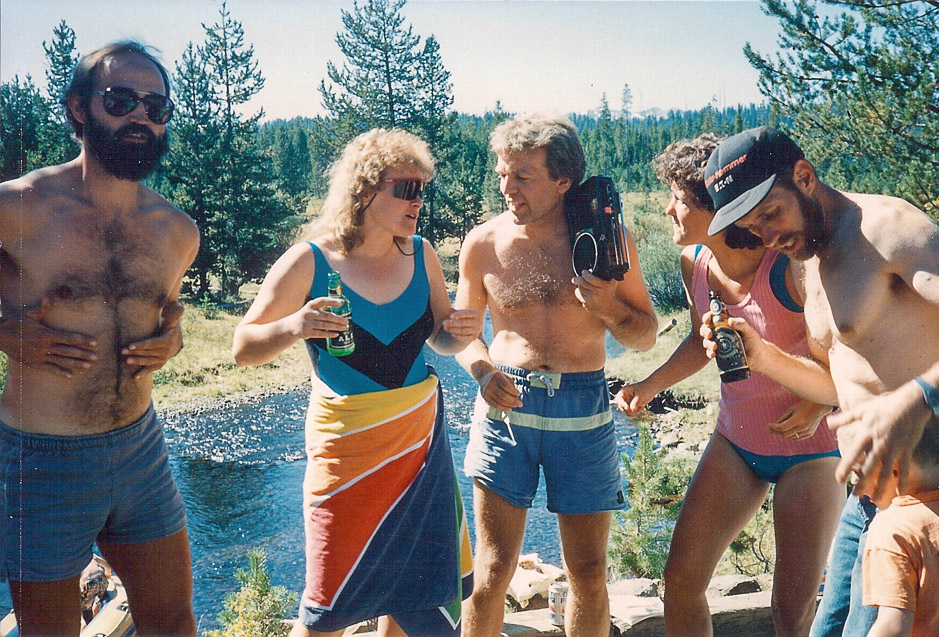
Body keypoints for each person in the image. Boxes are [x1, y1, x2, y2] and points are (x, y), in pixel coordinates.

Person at [700, 125, 939, 637]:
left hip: (936, 473)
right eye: (754, 228)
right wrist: (763, 356)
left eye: (771, 214)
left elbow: (900, 398)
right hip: (869, 485)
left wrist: (917, 398)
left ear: (804, 176)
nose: (768, 237)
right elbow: (844, 387)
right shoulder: (804, 264)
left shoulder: (886, 229)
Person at [232, 128, 480, 637]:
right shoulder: (310, 260)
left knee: (421, 600)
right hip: (344, 452)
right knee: (328, 608)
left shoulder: (422, 254)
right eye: (405, 188)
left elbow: (439, 339)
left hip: (418, 447)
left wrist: (458, 332)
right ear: (365, 189)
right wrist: (294, 326)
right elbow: (243, 348)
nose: (418, 201)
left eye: (422, 189)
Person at [0, 41, 199, 635]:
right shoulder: (22, 208)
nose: (140, 115)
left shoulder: (176, 232)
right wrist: (3, 332)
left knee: (172, 621)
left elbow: (165, 318)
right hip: (42, 458)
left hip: (141, 450)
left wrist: (174, 341)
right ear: (79, 109)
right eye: (120, 100)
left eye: (155, 106)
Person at [613, 134, 845, 636]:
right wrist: (650, 385)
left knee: (791, 611)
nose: (668, 208)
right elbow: (704, 341)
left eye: (678, 198)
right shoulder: (694, 262)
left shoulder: (792, 269)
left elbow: (844, 371)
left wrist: (815, 402)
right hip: (736, 443)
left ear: (718, 211)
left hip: (814, 453)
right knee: (680, 582)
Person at [455, 113, 659, 637]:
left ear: (562, 180)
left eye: (522, 176)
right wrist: (480, 372)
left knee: (588, 573)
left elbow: (644, 334)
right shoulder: (482, 243)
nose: (507, 187)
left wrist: (611, 308)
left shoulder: (608, 240)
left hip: (583, 404)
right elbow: (461, 333)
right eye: (502, 173)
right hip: (504, 406)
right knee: (493, 570)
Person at [860, 417, 939, 636]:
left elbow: (893, 627)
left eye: (859, 474)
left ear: (893, 468)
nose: (859, 492)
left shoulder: (892, 530)